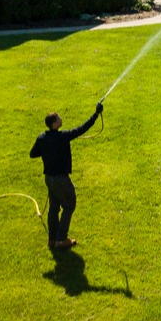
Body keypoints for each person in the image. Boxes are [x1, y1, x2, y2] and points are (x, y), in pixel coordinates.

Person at [30, 102, 102, 250]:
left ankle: (52, 239)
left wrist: (47, 151)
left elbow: (33, 154)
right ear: (54, 123)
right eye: (59, 118)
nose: (61, 119)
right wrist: (96, 114)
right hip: (61, 179)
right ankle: (61, 239)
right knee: (69, 205)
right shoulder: (63, 137)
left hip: (49, 179)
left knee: (54, 208)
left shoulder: (42, 138)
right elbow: (82, 129)